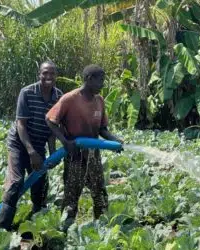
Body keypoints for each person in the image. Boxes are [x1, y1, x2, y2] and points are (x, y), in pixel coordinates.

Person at [45, 64, 123, 232]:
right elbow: (50, 120)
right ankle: (65, 230)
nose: (103, 84)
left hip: (93, 154)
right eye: (100, 80)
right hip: (74, 154)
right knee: (71, 195)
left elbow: (103, 129)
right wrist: (65, 142)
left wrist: (115, 141)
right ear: (89, 79)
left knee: (99, 192)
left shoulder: (99, 101)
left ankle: (101, 228)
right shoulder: (69, 99)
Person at [0, 61, 63, 231]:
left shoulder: (58, 96)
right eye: (45, 73)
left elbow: (52, 128)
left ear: (56, 76)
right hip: (19, 143)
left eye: (52, 74)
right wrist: (31, 151)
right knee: (17, 182)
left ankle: (36, 219)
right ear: (39, 74)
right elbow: (21, 125)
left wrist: (53, 152)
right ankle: (1, 228)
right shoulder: (27, 92)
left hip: (38, 144)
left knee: (40, 185)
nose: (48, 77)